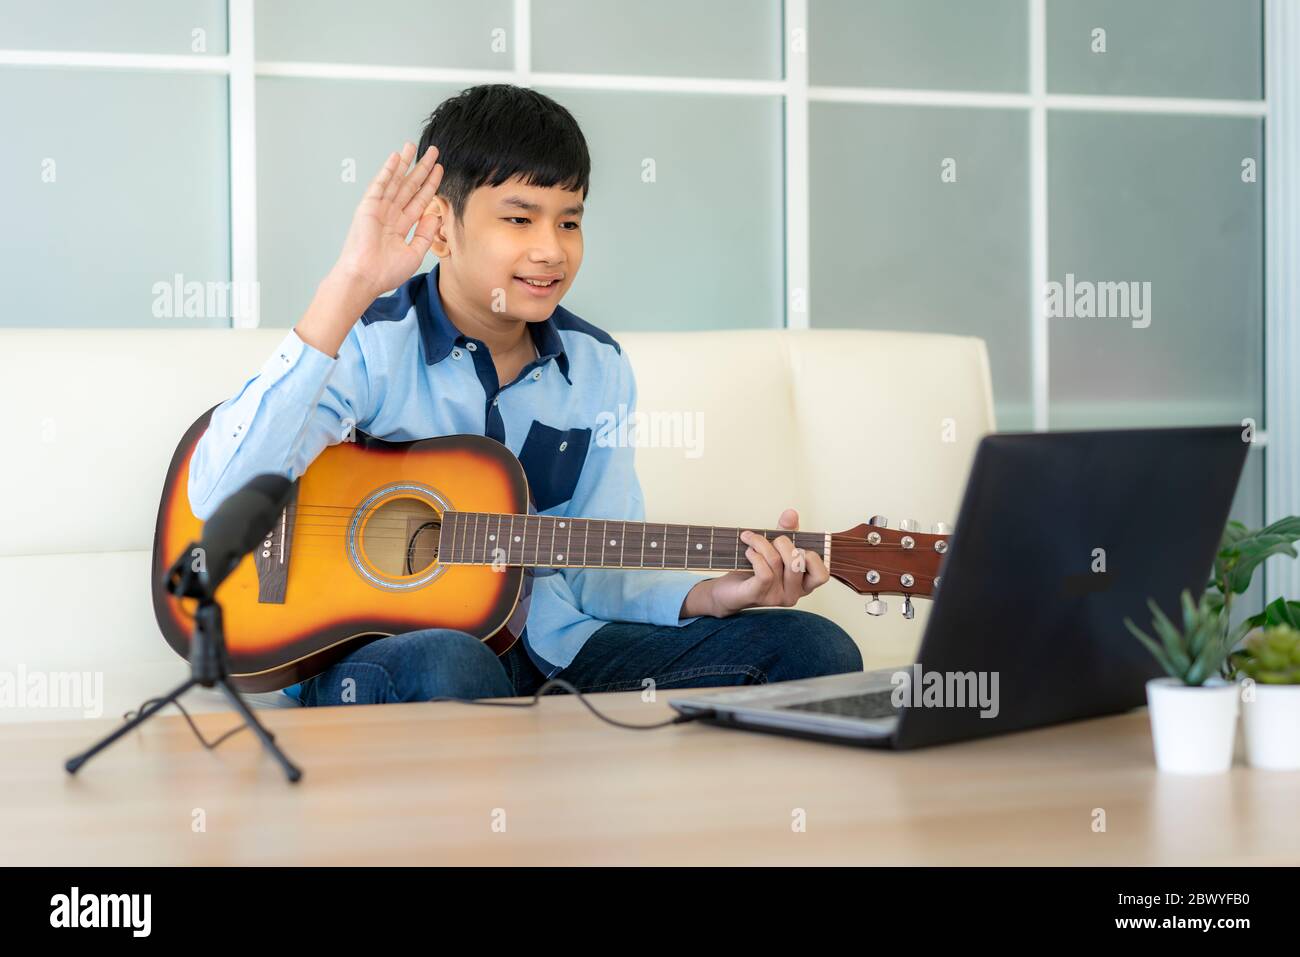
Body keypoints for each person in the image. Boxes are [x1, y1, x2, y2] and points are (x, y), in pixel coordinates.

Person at [188, 84, 862, 707]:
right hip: (376, 652)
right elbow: (220, 492)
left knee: (815, 647)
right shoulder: (368, 342)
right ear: (441, 225)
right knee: (453, 663)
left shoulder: (598, 367)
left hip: (555, 648)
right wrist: (350, 283)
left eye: (569, 222)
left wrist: (718, 593)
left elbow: (603, 566)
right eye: (519, 218)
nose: (551, 250)